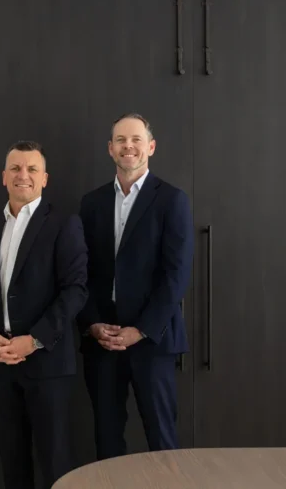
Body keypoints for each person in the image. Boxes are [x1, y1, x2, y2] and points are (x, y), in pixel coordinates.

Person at [0, 141, 88, 489]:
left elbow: (76, 290)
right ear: (4, 176)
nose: (23, 175)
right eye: (16, 168)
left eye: (32, 169)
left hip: (48, 364)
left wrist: (33, 340)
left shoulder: (64, 224)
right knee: (12, 465)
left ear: (44, 178)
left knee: (56, 466)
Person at [77, 113, 193, 459]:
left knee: (162, 441)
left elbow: (176, 275)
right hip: (103, 340)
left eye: (136, 140)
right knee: (107, 441)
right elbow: (81, 272)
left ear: (151, 147)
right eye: (121, 140)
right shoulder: (92, 203)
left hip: (153, 340)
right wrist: (92, 324)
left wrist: (140, 330)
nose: (128, 146)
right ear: (110, 149)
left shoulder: (172, 200)